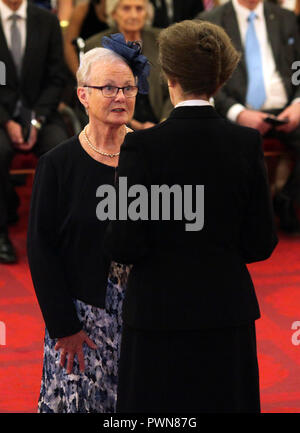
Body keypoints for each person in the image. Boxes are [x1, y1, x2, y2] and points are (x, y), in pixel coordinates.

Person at [104, 20, 278, 413]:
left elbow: (123, 244)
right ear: (219, 80)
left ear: (169, 77)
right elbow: (261, 242)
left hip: (157, 318)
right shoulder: (246, 143)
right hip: (226, 315)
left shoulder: (141, 148)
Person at [27, 35, 150, 412]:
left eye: (128, 87)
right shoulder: (58, 165)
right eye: (108, 88)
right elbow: (41, 249)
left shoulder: (150, 157)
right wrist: (64, 327)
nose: (120, 97)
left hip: (145, 317)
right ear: (83, 95)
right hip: (81, 323)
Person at [198, 0, 300, 235]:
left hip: (286, 108)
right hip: (236, 111)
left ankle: (286, 199)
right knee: (219, 144)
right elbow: (207, 78)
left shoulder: (285, 18)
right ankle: (243, 221)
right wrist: (238, 112)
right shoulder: (211, 21)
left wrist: (297, 104)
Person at [0, 0, 68, 264]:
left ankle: (56, 232)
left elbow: (57, 78)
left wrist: (37, 120)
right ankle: (1, 232)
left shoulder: (47, 21)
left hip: (41, 111)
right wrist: (7, 122)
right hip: (2, 116)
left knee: (61, 150)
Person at [85, 0, 172, 130]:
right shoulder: (97, 45)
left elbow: (173, 86)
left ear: (147, 13)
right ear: (113, 13)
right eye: (126, 9)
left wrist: (163, 123)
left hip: (159, 120)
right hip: (115, 123)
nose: (133, 15)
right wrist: (137, 126)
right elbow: (95, 94)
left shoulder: (162, 40)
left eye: (139, 9)